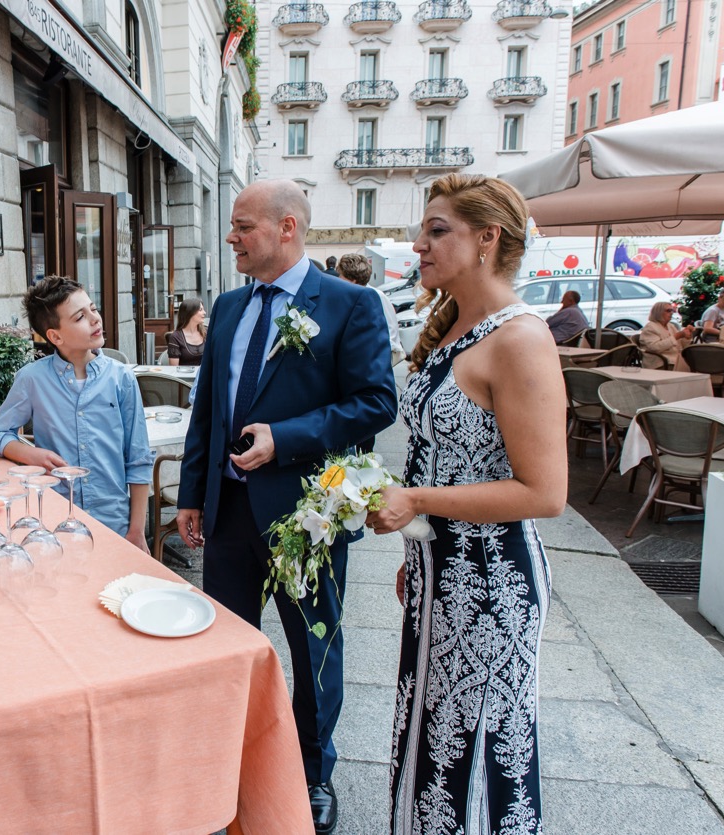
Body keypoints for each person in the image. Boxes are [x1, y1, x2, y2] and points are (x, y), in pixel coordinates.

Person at [175, 180, 397, 834]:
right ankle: (231, 760)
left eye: (243, 225)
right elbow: (208, 412)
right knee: (229, 649)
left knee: (312, 650)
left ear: (288, 228)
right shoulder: (230, 305)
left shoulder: (350, 305)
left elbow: (375, 403)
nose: (231, 236)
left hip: (307, 518)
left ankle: (310, 772)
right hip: (228, 517)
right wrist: (192, 493)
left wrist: (287, 438)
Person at [365, 173, 566, 835]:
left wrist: (417, 499)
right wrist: (417, 544)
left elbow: (545, 492)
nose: (419, 244)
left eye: (436, 230)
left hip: (489, 587)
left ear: (488, 238)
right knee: (429, 737)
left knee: (473, 751)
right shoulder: (456, 327)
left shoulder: (520, 339)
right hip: (437, 575)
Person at [0, 275, 154, 553]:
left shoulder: (121, 378)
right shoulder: (32, 380)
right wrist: (32, 455)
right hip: (53, 521)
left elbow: (138, 460)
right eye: (80, 317)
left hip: (113, 520)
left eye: (93, 309)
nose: (95, 319)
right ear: (55, 336)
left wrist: (136, 531)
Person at [337, 252, 406, 365]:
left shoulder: (376, 296)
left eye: (341, 276)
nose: (338, 279)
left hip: (375, 360)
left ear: (352, 280)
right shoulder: (348, 296)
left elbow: (391, 330)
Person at [639, 301, 695, 370]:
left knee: (699, 364)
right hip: (660, 362)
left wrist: (687, 337)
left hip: (675, 360)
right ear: (658, 312)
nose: (671, 313)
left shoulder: (670, 326)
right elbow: (654, 348)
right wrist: (677, 336)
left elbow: (682, 346)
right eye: (668, 311)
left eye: (672, 310)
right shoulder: (650, 327)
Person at [166, 297, 206, 366]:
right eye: (201, 310)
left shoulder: (206, 332)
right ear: (190, 313)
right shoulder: (176, 337)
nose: (204, 313)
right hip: (184, 376)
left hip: (205, 376)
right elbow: (174, 369)